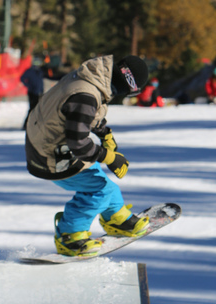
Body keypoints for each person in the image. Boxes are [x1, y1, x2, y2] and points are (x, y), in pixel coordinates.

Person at [25, 54, 150, 257]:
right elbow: (78, 142)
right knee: (99, 189)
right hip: (49, 157)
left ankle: (115, 217)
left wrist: (105, 134)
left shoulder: (91, 78)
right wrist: (109, 157)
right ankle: (69, 235)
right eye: (125, 92)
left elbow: (81, 115)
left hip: (50, 145)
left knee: (98, 179)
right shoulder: (86, 95)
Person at [20, 58, 45, 127]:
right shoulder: (30, 71)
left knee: (39, 109)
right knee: (32, 108)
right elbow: (22, 78)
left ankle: (36, 124)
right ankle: (26, 124)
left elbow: (41, 81)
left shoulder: (40, 71)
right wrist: (29, 86)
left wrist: (41, 90)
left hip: (39, 92)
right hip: (32, 92)